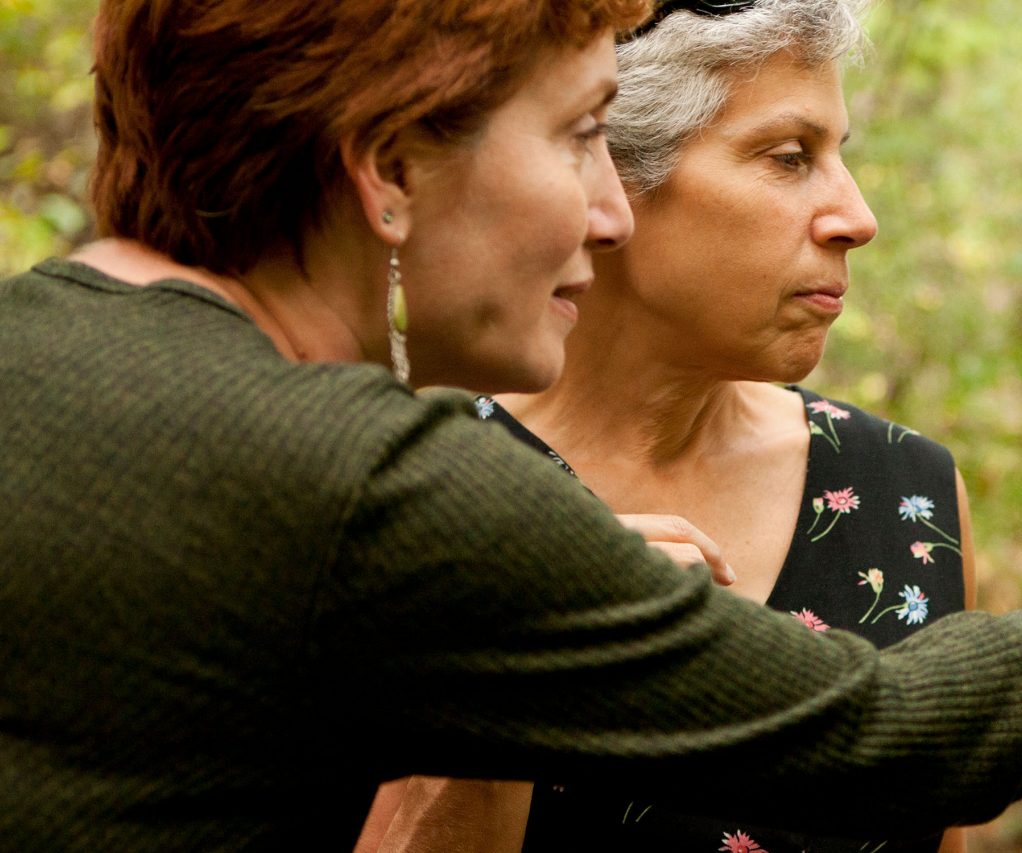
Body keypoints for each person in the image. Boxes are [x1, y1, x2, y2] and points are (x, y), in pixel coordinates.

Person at [0, 1, 1022, 849]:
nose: (603, 209)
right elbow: (881, 740)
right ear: (388, 166)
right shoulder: (368, 479)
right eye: (583, 136)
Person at [360, 3, 985, 851]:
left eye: (842, 157)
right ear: (607, 170)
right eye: (790, 157)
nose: (856, 216)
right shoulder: (408, 489)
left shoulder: (908, 493)